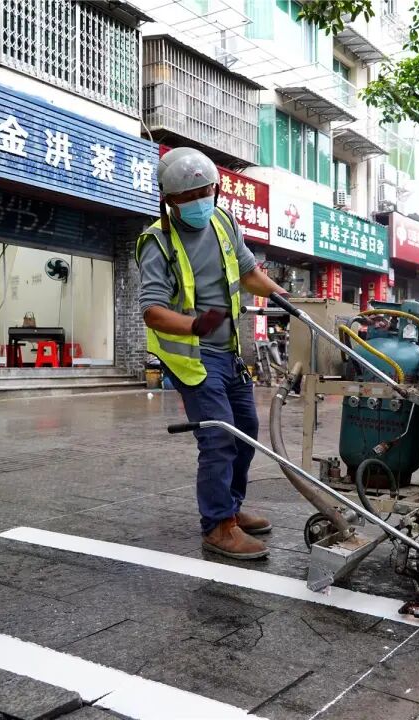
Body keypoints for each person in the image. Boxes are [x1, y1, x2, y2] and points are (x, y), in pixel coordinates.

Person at [137, 148, 288, 560]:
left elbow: (248, 273)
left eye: (207, 192)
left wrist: (283, 297)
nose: (201, 201)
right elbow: (152, 310)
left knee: (246, 429)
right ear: (170, 201)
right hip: (192, 356)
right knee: (219, 436)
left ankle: (231, 509)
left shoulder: (223, 221)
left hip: (229, 351)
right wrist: (194, 325)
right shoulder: (157, 243)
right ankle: (218, 526)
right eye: (191, 196)